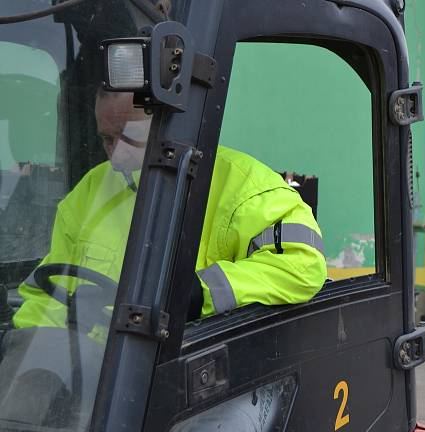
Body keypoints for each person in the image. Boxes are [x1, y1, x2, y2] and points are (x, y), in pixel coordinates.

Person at [12, 89, 326, 330]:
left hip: (193, 375)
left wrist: (196, 292)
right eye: (107, 139)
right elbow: (47, 296)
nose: (117, 156)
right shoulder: (91, 191)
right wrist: (34, 366)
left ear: (174, 123)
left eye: (130, 136)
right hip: (101, 381)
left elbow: (302, 266)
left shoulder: (243, 185)